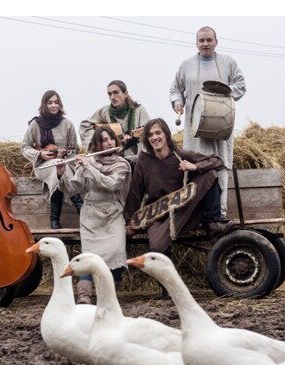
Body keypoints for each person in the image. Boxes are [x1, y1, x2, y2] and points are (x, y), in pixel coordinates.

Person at [123, 118, 233, 258]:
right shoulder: (143, 161)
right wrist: (128, 222)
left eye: (158, 133)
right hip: (160, 214)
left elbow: (217, 161)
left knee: (209, 174)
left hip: (184, 208)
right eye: (150, 135)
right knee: (157, 249)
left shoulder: (180, 155)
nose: (154, 137)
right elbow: (135, 193)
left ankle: (213, 224)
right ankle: (169, 276)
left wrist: (195, 166)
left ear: (166, 135)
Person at [169, 26, 246, 220]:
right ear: (196, 43)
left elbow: (241, 85)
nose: (205, 44)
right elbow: (175, 89)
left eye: (209, 40)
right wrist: (178, 102)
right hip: (194, 129)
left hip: (220, 129)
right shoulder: (186, 65)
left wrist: (227, 94)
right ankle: (198, 215)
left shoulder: (228, 62)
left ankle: (219, 214)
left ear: (216, 42)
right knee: (196, 165)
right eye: (201, 40)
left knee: (219, 166)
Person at [57, 126, 132, 304]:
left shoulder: (122, 164)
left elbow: (111, 184)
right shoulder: (89, 162)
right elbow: (73, 188)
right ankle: (84, 296)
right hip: (91, 215)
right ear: (98, 145)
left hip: (113, 213)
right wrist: (61, 173)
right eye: (104, 140)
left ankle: (108, 294)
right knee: (89, 256)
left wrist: (89, 167)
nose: (109, 143)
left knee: (117, 251)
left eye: (111, 139)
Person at [21, 90, 83, 229]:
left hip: (64, 164)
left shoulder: (67, 124)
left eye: (56, 102)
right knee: (58, 168)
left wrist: (65, 156)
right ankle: (79, 206)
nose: (53, 105)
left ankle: (54, 219)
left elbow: (74, 150)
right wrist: (39, 155)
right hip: (42, 166)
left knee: (59, 169)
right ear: (44, 104)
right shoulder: (35, 124)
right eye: (50, 102)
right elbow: (24, 147)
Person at [79, 80, 150, 167]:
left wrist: (133, 141)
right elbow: (84, 125)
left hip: (135, 160)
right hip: (112, 160)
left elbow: (147, 137)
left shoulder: (139, 110)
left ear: (125, 93)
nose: (112, 97)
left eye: (116, 92)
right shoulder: (105, 111)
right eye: (110, 94)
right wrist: (97, 141)